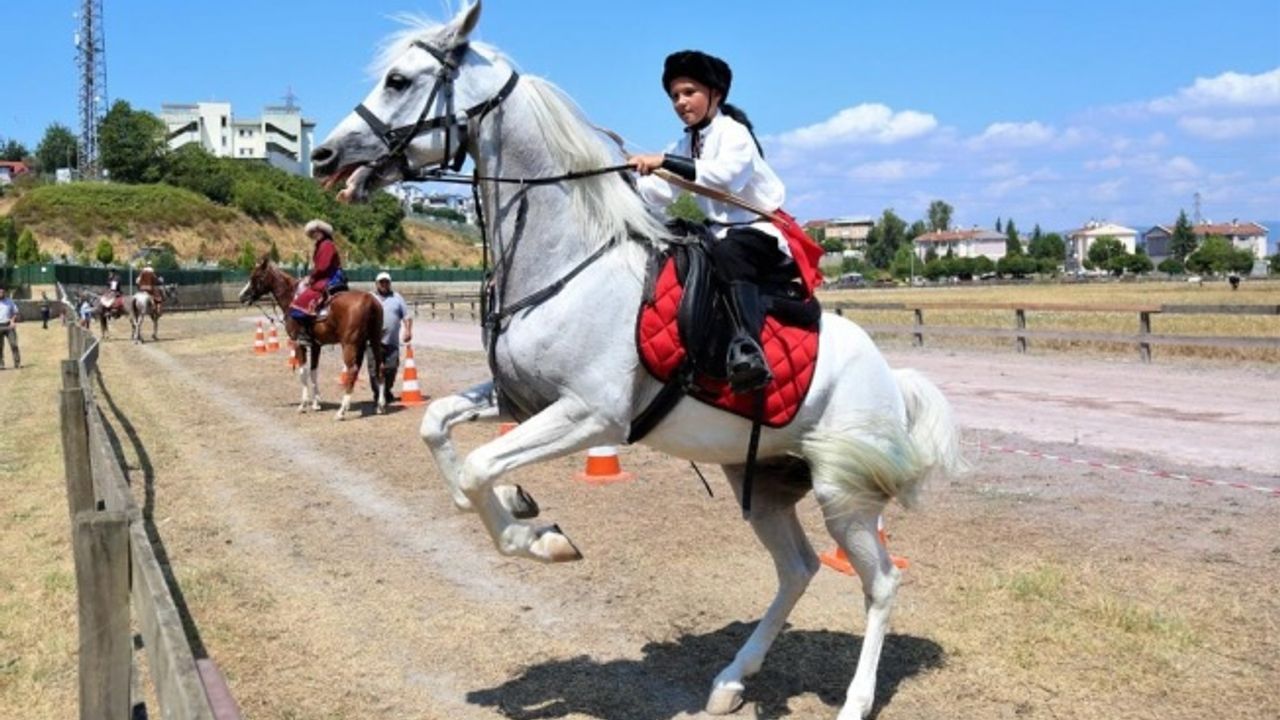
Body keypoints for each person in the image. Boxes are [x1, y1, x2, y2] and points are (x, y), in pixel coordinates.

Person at [628, 50, 823, 393]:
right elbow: (659, 192)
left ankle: (748, 349)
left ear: (715, 94)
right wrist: (626, 182)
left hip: (759, 232)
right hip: (717, 232)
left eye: (689, 92)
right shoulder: (685, 142)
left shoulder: (735, 134)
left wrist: (664, 161)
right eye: (675, 96)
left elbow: (724, 177)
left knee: (728, 252)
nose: (680, 102)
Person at [288, 219, 345, 343]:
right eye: (312, 233)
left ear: (322, 232)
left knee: (300, 302)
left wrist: (311, 277)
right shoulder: (322, 245)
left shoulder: (326, 245)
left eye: (315, 232)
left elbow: (323, 266)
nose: (313, 235)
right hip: (324, 275)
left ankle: (305, 333)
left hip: (330, 276)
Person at [369, 271, 413, 405]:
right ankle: (378, 394)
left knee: (391, 368)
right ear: (376, 284)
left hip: (392, 341)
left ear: (390, 283)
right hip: (372, 342)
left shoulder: (397, 298)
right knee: (374, 369)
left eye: (386, 282)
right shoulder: (370, 298)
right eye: (381, 282)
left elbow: (406, 316)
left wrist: (408, 331)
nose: (384, 284)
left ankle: (386, 390)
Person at [0, 286, 20, 370]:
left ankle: (17, 362)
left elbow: (15, 312)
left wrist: (12, 321)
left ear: (4, 293)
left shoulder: (10, 301)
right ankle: (1, 364)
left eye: (2, 292)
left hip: (9, 325)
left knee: (14, 344)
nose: (1, 294)